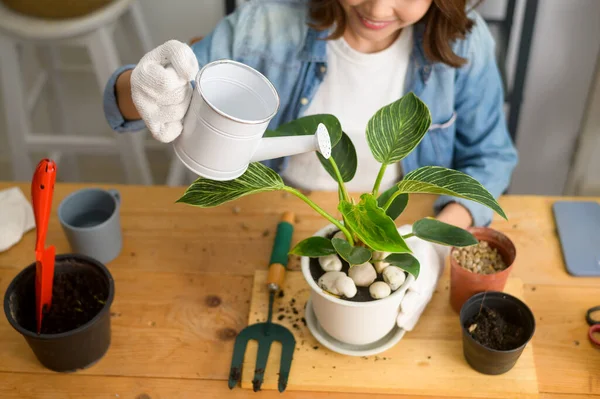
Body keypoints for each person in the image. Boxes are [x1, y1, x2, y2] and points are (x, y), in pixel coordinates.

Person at [103, 0, 518, 330]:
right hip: (268, 219)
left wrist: (435, 243)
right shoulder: (263, 26)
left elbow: (491, 157)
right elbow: (151, 95)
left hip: (399, 225)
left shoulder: (462, 43)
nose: (376, 9)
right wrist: (139, 87)